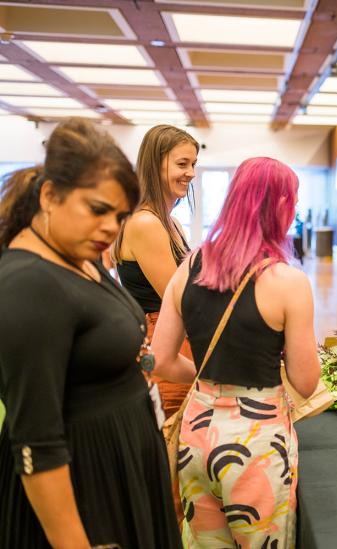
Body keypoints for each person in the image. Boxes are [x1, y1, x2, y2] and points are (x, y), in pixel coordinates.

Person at [0, 119, 181, 548]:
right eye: (98, 209)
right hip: (85, 487)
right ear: (49, 196)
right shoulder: (28, 282)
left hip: (120, 467)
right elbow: (37, 442)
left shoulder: (80, 257)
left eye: (119, 216)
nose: (110, 228)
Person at [151, 156, 321, 548]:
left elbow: (160, 358)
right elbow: (306, 381)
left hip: (196, 433)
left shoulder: (191, 265)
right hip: (255, 445)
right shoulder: (287, 282)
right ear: (280, 206)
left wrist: (209, 379)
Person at [112, 124, 198, 419]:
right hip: (161, 341)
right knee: (168, 436)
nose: (191, 173)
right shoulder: (145, 223)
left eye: (193, 164)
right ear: (155, 164)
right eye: (182, 164)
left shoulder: (170, 222)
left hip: (175, 336)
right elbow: (178, 298)